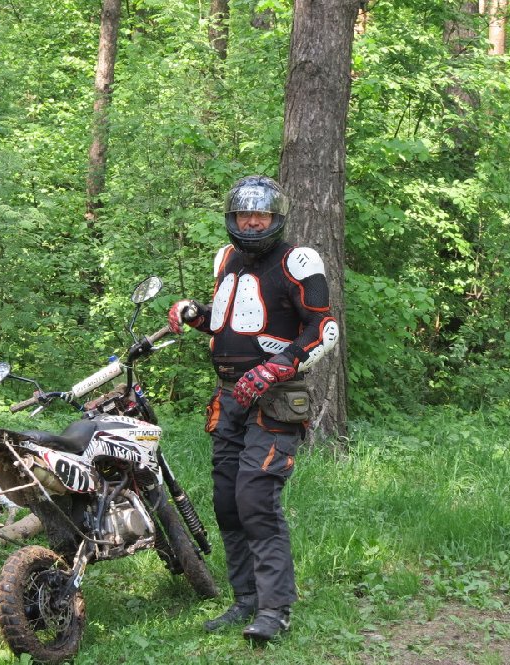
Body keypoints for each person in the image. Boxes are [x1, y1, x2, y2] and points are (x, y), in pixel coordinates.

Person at [168, 175, 339, 641]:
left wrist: (279, 366)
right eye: (244, 214)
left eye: (260, 215)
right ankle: (245, 599)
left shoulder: (298, 262)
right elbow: (229, 323)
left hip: (275, 398)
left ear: (276, 218)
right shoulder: (225, 259)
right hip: (227, 398)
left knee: (256, 498)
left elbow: (323, 329)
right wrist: (194, 314)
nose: (251, 222)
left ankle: (274, 610)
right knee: (227, 502)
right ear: (232, 218)